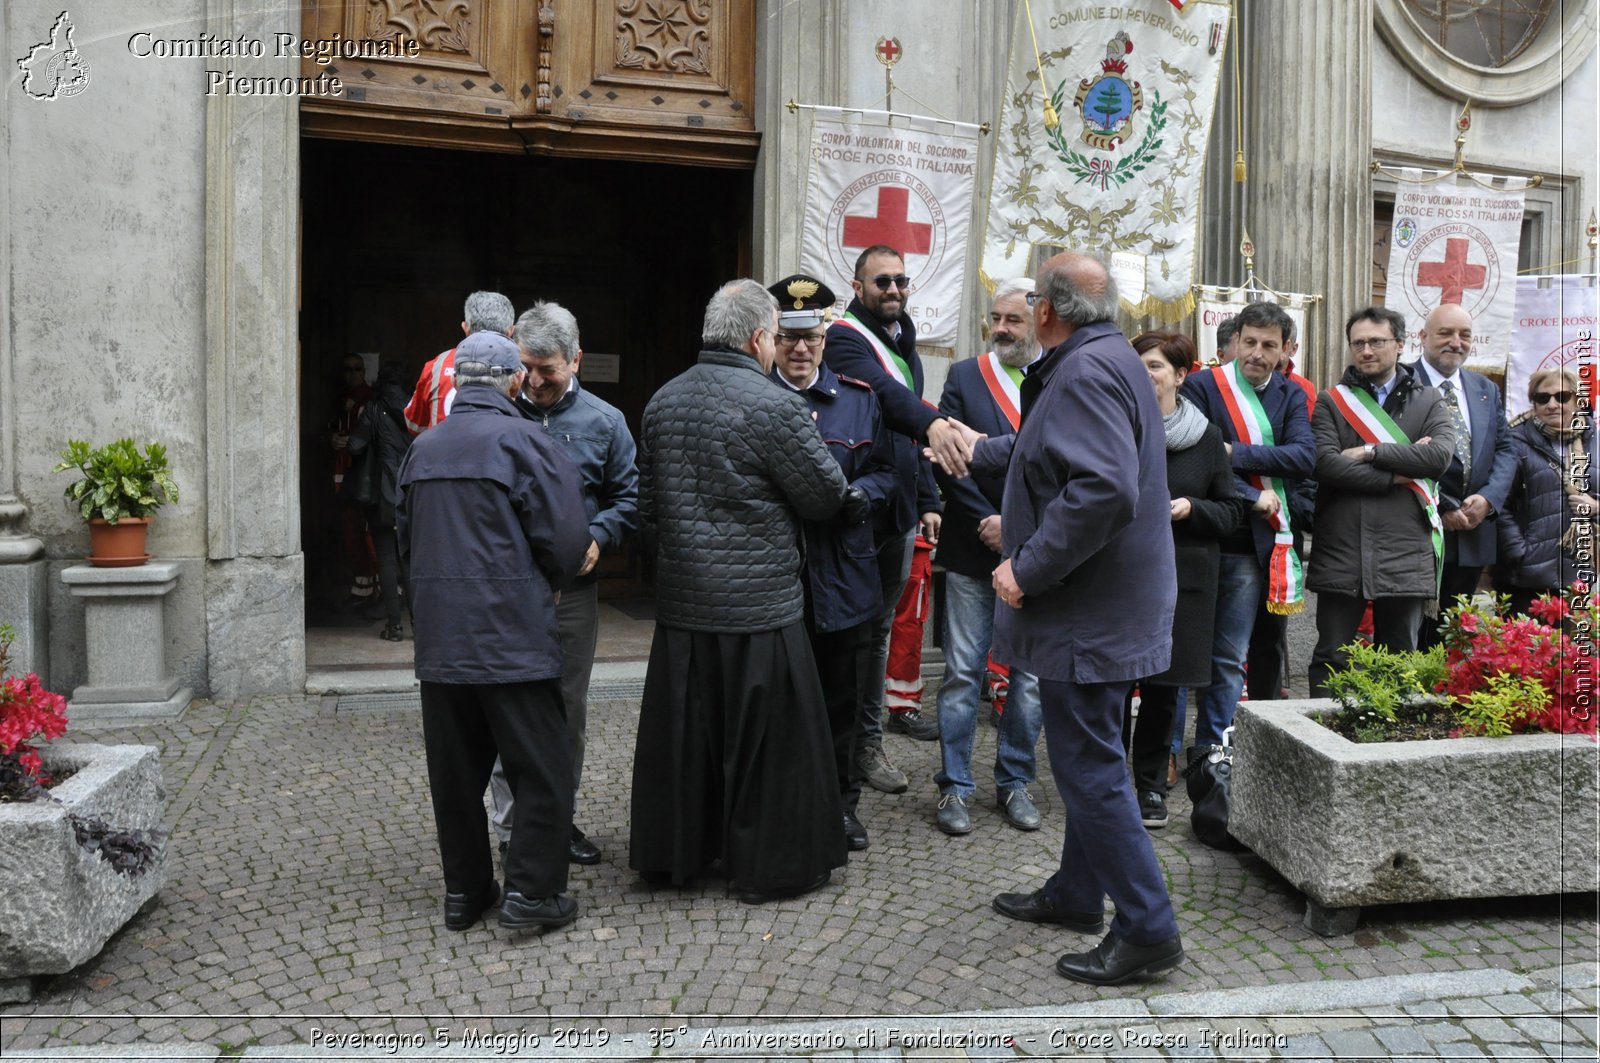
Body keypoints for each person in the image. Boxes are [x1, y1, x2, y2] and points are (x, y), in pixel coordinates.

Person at [965, 251, 1184, 986]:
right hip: (1108, 606)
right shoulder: (1107, 355)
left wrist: (1024, 568)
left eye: (1030, 300)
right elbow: (1052, 453)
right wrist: (973, 449)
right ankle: (1075, 892)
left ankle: (1149, 927)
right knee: (1097, 761)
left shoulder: (1084, 370)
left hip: (1088, 611)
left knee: (1089, 769)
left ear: (1049, 312)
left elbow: (1102, 489)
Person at [629, 279, 852, 904]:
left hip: (684, 608)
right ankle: (770, 867)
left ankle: (679, 857)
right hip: (760, 608)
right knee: (768, 751)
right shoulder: (774, 406)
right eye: (776, 334)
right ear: (759, 338)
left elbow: (647, 513)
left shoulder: (663, 400)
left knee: (686, 744)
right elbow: (823, 495)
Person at [397, 330, 589, 933]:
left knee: (455, 778)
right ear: (514, 381)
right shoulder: (525, 441)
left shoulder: (422, 449)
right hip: (514, 640)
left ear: (456, 382)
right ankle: (531, 896)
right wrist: (554, 575)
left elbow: (405, 539)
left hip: (443, 643)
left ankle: (466, 893)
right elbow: (565, 538)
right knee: (542, 769)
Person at [480, 301, 639, 867]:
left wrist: (600, 534)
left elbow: (631, 496)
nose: (539, 381)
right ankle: (510, 828)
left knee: (566, 711)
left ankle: (556, 820)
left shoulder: (605, 421)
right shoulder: (494, 416)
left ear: (576, 360)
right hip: (507, 591)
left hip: (572, 593)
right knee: (508, 708)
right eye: (529, 367)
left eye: (551, 368)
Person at [824, 244, 976, 781]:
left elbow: (904, 436)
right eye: (882, 281)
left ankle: (866, 745)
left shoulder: (901, 337)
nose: (893, 290)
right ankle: (844, 750)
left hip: (901, 511)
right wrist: (934, 423)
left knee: (880, 631)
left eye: (900, 281)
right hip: (858, 510)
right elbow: (888, 397)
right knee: (855, 634)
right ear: (858, 286)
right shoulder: (843, 338)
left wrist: (931, 499)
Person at [765, 273, 894, 853]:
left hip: (843, 573)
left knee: (841, 702)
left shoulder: (859, 402)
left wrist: (866, 495)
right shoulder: (757, 400)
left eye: (810, 338)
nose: (799, 349)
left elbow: (891, 473)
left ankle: (841, 807)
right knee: (773, 702)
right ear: (772, 338)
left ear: (825, 337)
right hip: (772, 579)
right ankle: (779, 802)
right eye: (789, 338)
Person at [929, 278, 1045, 836]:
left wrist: (1020, 528)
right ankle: (954, 787)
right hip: (974, 549)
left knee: (1028, 679)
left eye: (1012, 320)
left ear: (1038, 320)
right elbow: (947, 459)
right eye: (994, 319)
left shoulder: (1059, 376)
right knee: (961, 673)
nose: (1000, 329)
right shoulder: (965, 376)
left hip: (1040, 554)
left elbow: (1066, 466)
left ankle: (1015, 781)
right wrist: (989, 523)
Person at [1178, 302, 1314, 753]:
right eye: (1249, 342)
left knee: (1230, 657)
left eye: (1268, 346)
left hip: (1255, 545)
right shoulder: (1202, 386)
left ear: (1285, 350)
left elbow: (1303, 457)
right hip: (1200, 533)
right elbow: (1194, 461)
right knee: (1183, 652)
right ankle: (1169, 754)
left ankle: (1213, 750)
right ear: (1234, 341)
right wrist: (1252, 494)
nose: (1256, 353)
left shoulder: (1292, 394)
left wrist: (1233, 452)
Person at [1124, 331, 1244, 829]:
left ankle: (1151, 789)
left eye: (1154, 366)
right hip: (1120, 575)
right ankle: (1104, 785)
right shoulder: (1114, 427)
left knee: (1162, 690)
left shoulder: (1205, 436)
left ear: (1180, 375)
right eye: (1138, 365)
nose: (1145, 374)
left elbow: (1231, 511)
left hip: (1181, 580)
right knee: (1110, 687)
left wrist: (1191, 508)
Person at [1308, 307, 1455, 695]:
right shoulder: (1331, 402)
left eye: (1377, 341)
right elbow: (1326, 466)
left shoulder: (1428, 401)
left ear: (1400, 345)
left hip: (1405, 547)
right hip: (1343, 545)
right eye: (1359, 343)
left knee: (1399, 657)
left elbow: (1439, 458)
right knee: (1331, 656)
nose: (1367, 350)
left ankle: (1391, 746)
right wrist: (1400, 474)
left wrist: (1371, 451)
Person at [1408, 303, 1517, 645]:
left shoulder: (1485, 389)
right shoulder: (1400, 384)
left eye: (1464, 334)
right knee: (1410, 637)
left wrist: (1489, 499)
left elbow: (1506, 450)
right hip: (1418, 533)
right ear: (1423, 337)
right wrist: (1444, 507)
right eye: (1445, 333)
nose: (1456, 341)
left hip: (1473, 533)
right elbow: (1400, 453)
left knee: (1451, 637)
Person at [1495, 368, 1597, 616]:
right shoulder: (1514, 441)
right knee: (1521, 652)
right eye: (1542, 398)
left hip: (1579, 573)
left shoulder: (1593, 440)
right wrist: (1520, 552)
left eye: (1561, 397)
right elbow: (1499, 503)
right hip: (1526, 577)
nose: (1552, 404)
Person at [346, 362, 414, 641]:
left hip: (382, 494)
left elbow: (354, 446)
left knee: (386, 560)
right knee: (409, 560)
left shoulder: (373, 409)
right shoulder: (414, 407)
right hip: (411, 491)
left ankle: (395, 626)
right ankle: (419, 627)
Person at [404, 291, 516, 434]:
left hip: (442, 453)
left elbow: (413, 424)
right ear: (511, 331)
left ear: (465, 328)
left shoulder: (438, 365)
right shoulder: (522, 369)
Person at [327, 356, 378, 611]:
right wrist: (332, 437)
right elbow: (326, 426)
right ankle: (361, 587)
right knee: (349, 531)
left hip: (363, 473)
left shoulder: (370, 398)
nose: (352, 374)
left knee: (366, 530)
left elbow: (374, 434)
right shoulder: (336, 399)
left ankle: (377, 588)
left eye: (357, 369)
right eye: (348, 369)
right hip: (340, 470)